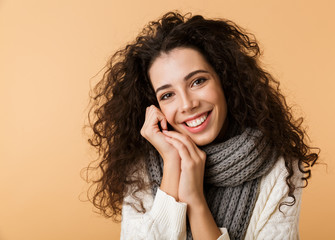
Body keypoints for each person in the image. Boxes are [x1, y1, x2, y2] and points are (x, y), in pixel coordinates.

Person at [86, 11, 319, 240]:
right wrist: (171, 165)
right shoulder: (140, 167)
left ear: (225, 81)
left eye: (198, 81)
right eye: (167, 95)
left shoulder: (281, 167)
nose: (187, 105)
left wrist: (196, 202)